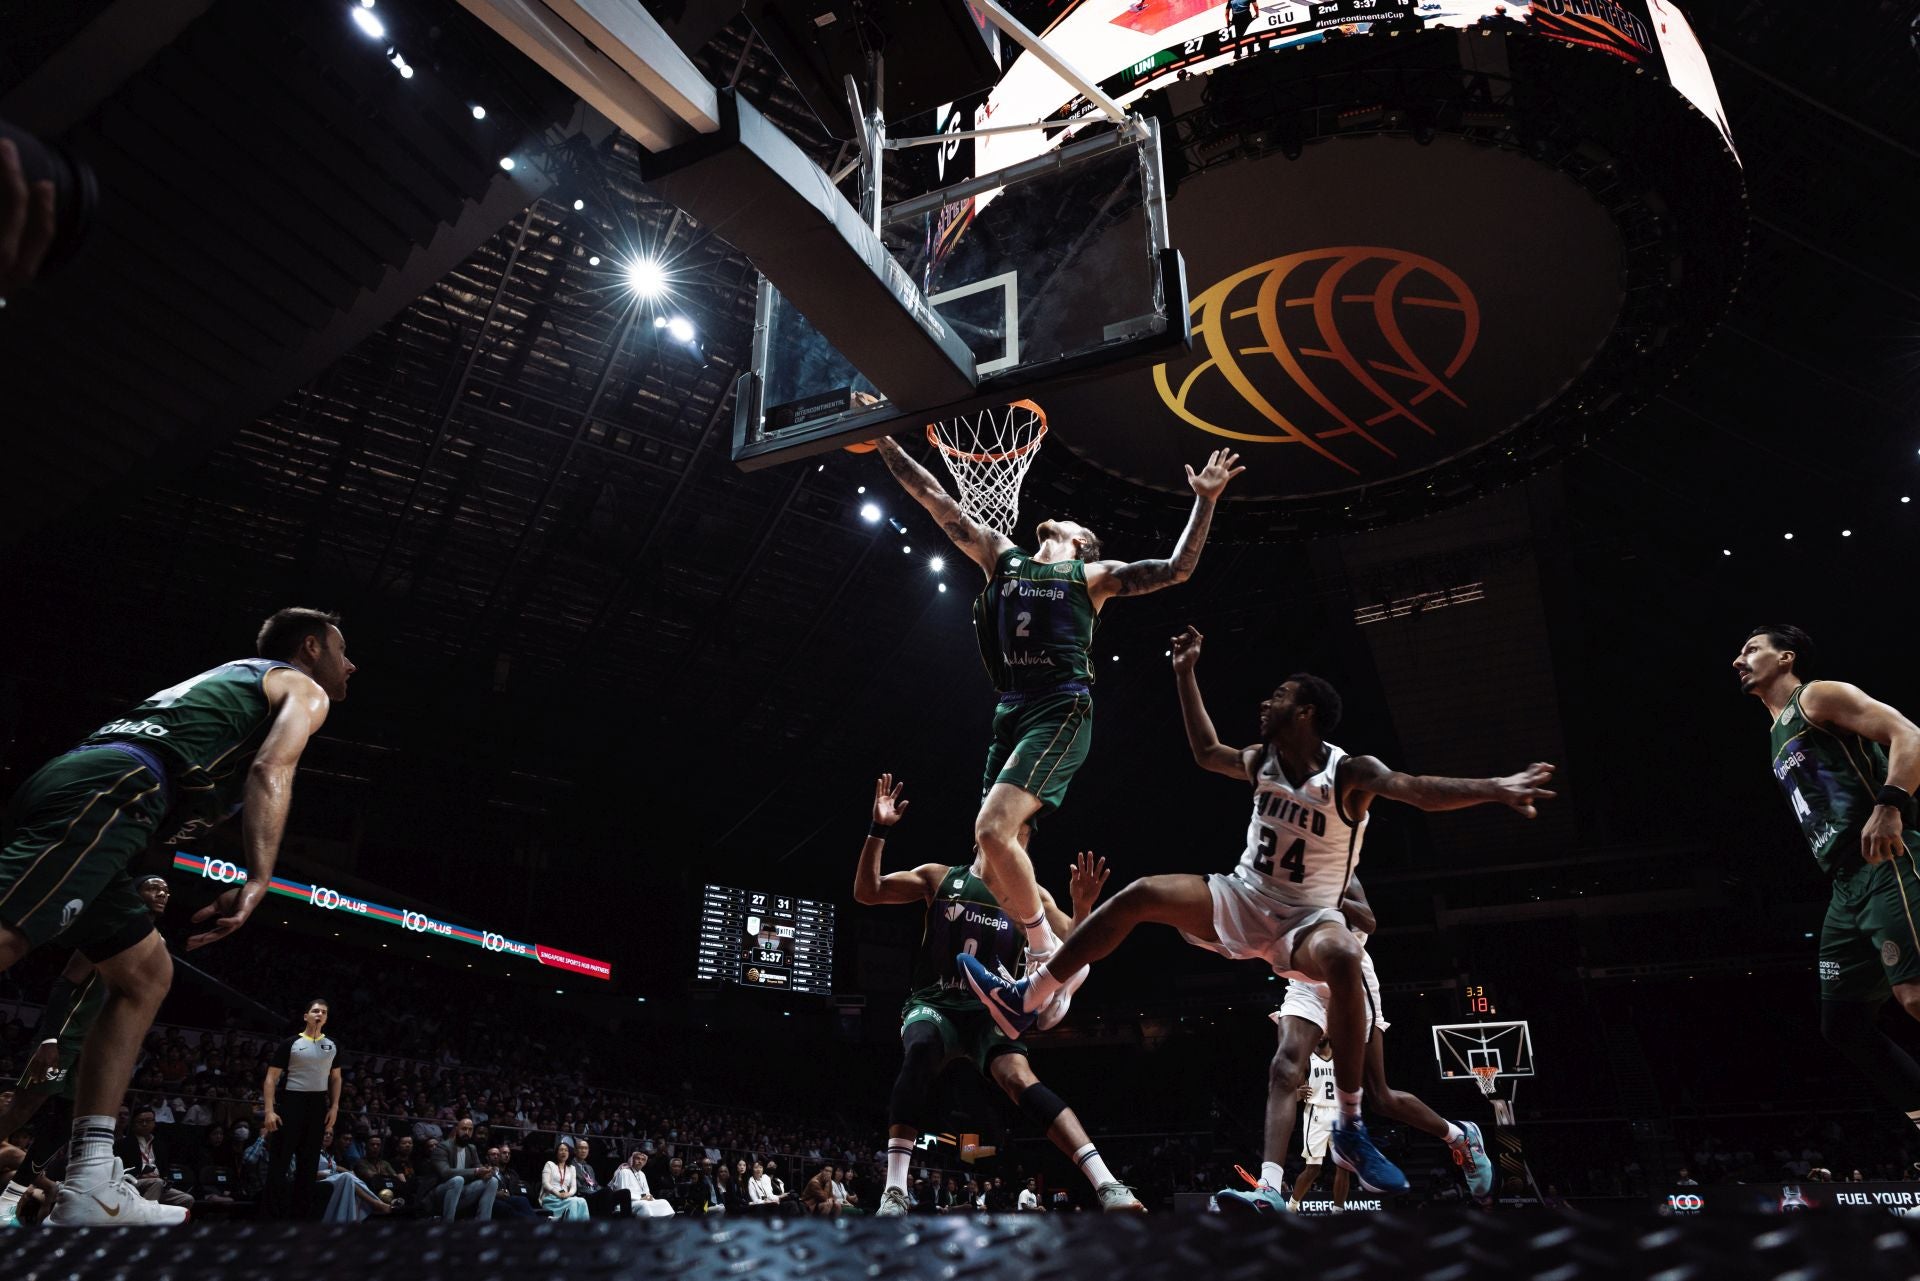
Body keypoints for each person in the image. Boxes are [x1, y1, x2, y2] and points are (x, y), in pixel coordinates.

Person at [963, 625, 1555, 1197]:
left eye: (1279, 698)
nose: (1265, 704)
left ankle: (1350, 1126)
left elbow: (1420, 789)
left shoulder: (1349, 772)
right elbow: (1204, 751)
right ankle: (1030, 994)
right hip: (1244, 898)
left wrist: (1497, 787)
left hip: (1307, 922)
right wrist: (1185, 672)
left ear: (1307, 713)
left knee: (1347, 960)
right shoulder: (1260, 761)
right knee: (1141, 894)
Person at [872, 434, 1243, 1024]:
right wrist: (884, 443)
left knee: (992, 830)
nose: (1058, 519)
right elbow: (934, 497)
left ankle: (1050, 958)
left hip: (1060, 709)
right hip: (1011, 711)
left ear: (1081, 542)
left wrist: (1206, 500)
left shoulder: (1091, 575)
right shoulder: (1001, 555)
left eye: (1071, 523)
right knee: (995, 856)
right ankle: (1031, 979)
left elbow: (1176, 570)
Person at [0, 607, 352, 1225]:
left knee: (145, 976)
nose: (352, 665)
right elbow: (275, 768)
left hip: (104, 784)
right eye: (343, 651)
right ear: (312, 648)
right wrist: (259, 877)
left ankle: (88, 1181)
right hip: (118, 786)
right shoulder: (303, 686)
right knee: (8, 935)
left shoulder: (233, 686)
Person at [854, 774, 1143, 1213]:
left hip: (995, 1011)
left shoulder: (1037, 899)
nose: (1009, 844)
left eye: (1019, 840)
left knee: (1020, 1079)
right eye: (1005, 833)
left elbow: (1081, 951)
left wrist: (1082, 908)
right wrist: (879, 829)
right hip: (936, 1003)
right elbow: (867, 892)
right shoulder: (940, 877)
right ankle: (895, 1189)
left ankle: (1107, 1185)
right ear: (982, 836)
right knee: (921, 1051)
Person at [1735, 625, 1920, 1139]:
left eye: (1751, 649)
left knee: (1914, 996)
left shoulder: (1816, 695)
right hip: (1843, 885)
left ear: (1786, 657)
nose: (1739, 659)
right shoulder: (1775, 733)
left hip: (1885, 859)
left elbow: (1909, 735)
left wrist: (1890, 806)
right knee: (1842, 1025)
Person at [1219, 877, 1493, 1215]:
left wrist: (1324, 895)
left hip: (1349, 975)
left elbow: (1367, 921)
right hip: (1304, 982)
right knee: (1284, 1069)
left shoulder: (1335, 864)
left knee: (1380, 1097)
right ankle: (1269, 1189)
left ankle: (1459, 1135)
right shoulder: (1268, 867)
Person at [0, 874, 172, 1224]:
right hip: (67, 1038)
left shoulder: (156, 943)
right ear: (134, 895)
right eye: (154, 886)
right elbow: (66, 981)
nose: (163, 893)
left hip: (98, 1047)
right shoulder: (114, 926)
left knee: (63, 1125)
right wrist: (50, 1039)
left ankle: (9, 1200)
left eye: (166, 889)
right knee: (23, 1108)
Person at [261, 998, 341, 1219]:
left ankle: (301, 1219)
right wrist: (269, 1110)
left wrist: (334, 1106)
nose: (319, 1014)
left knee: (308, 1167)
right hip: (291, 1103)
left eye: (323, 1012)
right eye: (315, 1011)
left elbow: (336, 1078)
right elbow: (271, 1078)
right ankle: (270, 1218)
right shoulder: (290, 1043)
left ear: (326, 1018)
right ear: (306, 1016)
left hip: (317, 1106)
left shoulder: (332, 1045)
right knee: (280, 1163)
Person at [1284, 1039, 1348, 1212]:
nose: (1320, 1034)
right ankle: (1291, 1207)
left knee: (1344, 1166)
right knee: (1313, 1168)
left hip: (1340, 1113)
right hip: (1316, 1113)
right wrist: (1297, 1093)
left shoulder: (1342, 1057)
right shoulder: (1306, 1059)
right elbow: (1291, 1094)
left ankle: (1338, 1212)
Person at [426, 1116, 497, 1221]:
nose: (467, 1132)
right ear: (456, 1130)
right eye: (464, 1129)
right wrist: (477, 1171)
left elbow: (479, 1168)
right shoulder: (443, 1147)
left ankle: (483, 1223)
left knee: (493, 1181)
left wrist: (487, 1172)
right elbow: (445, 1173)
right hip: (440, 1193)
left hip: (463, 1191)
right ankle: (447, 1224)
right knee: (457, 1180)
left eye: (470, 1129)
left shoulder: (471, 1148)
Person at [615, 1148, 675, 1218]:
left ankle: (660, 1225)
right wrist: (642, 1198)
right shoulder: (624, 1172)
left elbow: (646, 1192)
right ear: (632, 1159)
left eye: (643, 1159)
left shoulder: (642, 1174)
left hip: (642, 1200)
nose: (640, 1161)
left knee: (664, 1202)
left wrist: (649, 1197)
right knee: (644, 1205)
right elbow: (623, 1193)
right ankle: (645, 1226)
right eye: (638, 1158)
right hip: (627, 1203)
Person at [540, 1139, 589, 1220]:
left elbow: (573, 1187)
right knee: (573, 1202)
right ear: (556, 1152)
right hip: (551, 1198)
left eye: (566, 1150)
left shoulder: (571, 1168)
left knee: (582, 1201)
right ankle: (570, 1228)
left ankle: (585, 1229)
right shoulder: (550, 1164)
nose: (564, 1152)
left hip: (565, 1198)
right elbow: (545, 1184)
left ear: (569, 1153)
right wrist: (558, 1194)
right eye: (561, 1150)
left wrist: (568, 1194)